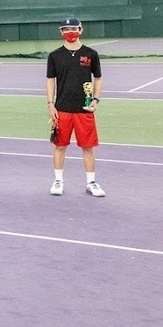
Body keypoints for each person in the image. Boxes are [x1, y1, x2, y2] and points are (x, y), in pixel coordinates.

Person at [47, 17, 105, 197]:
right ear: (61, 32)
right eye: (65, 29)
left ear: (81, 30)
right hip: (62, 109)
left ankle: (91, 182)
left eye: (73, 29)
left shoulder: (91, 54)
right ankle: (58, 181)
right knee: (59, 146)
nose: (69, 32)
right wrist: (51, 104)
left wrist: (95, 99)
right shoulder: (54, 55)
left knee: (88, 147)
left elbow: (98, 77)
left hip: (84, 109)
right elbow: (50, 81)